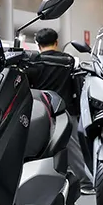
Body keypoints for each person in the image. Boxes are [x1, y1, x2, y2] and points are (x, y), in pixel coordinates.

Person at [27, 28, 93, 194]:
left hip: (41, 111)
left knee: (40, 149)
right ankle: (86, 183)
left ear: (38, 44)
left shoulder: (33, 62)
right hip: (65, 111)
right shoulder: (68, 61)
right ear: (56, 42)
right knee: (74, 149)